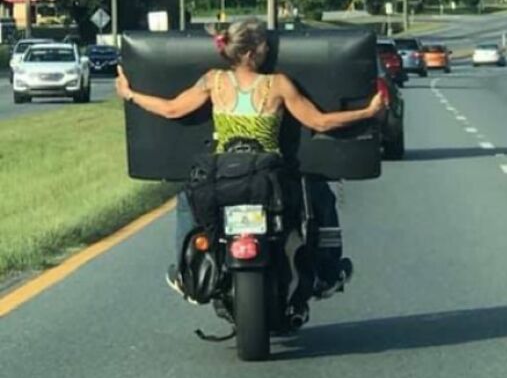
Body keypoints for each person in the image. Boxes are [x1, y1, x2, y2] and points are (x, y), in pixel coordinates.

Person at [114, 17, 385, 301]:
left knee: (186, 201)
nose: (269, 49)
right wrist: (367, 113)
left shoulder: (214, 81)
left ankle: (187, 274)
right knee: (321, 198)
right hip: (269, 176)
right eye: (264, 44)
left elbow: (171, 110)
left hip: (222, 175)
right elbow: (319, 122)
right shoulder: (277, 84)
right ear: (250, 53)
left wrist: (130, 94)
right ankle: (327, 275)